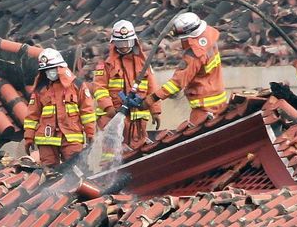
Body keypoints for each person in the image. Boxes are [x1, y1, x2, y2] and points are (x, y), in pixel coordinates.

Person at [152, 11, 229, 132]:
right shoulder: (207, 38)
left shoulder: (194, 55)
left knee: (196, 136)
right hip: (219, 100)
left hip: (204, 108)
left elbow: (176, 83)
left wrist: (151, 99)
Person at [90, 19, 160, 149]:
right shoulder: (106, 65)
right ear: (114, 43)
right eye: (120, 43)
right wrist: (108, 108)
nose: (124, 46)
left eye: (127, 42)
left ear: (134, 42)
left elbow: (152, 88)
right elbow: (99, 88)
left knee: (137, 149)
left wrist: (155, 111)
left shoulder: (143, 64)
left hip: (137, 119)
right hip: (112, 117)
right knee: (111, 152)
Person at [23, 47, 97, 166]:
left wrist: (90, 133)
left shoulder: (77, 86)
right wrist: (29, 137)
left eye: (52, 69)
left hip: (71, 137)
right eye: (46, 70)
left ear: (61, 67)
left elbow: (87, 112)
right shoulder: (40, 90)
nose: (49, 73)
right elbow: (32, 116)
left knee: (77, 168)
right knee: (50, 171)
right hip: (46, 139)